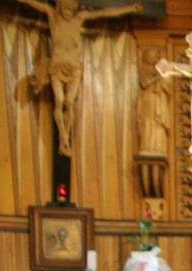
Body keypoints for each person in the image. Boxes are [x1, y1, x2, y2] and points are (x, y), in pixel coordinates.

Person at [14, 0, 143, 156]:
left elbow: (104, 13)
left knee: (69, 102)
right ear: (60, 6)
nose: (68, 12)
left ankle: (65, 138)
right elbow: (31, 2)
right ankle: (63, 138)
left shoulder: (80, 17)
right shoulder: (52, 14)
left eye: (71, 8)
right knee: (60, 100)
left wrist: (130, 8)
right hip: (57, 66)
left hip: (74, 68)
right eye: (66, 8)